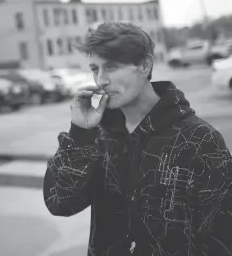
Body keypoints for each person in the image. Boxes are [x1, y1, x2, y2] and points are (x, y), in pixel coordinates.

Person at [43, 22, 232, 255]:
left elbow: (221, 239)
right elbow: (60, 202)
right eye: (95, 68)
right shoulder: (100, 136)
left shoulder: (199, 140)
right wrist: (80, 132)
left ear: (145, 65)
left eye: (111, 67)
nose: (100, 80)